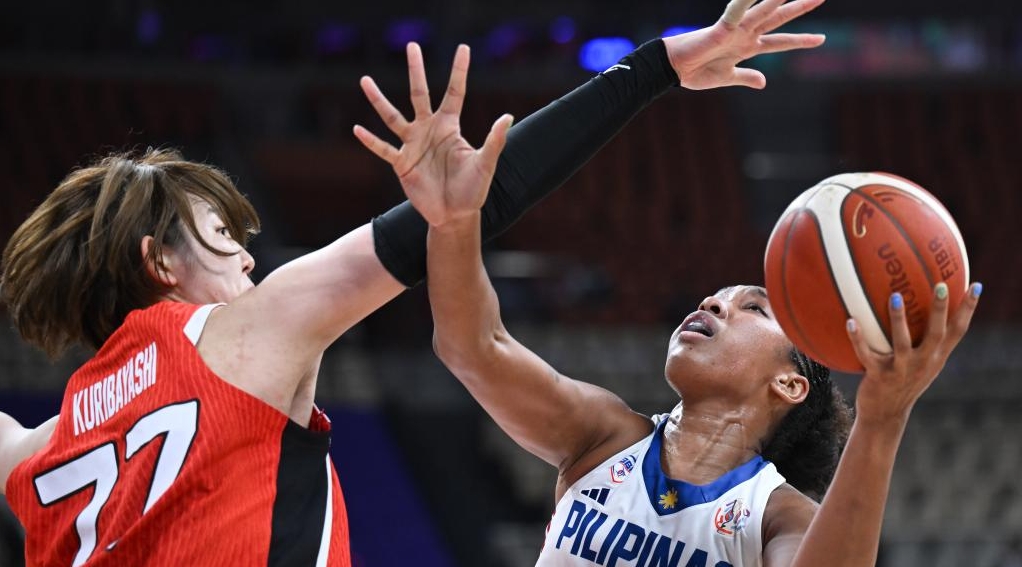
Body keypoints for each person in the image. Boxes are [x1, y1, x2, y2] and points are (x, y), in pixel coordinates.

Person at [0, 0, 831, 564]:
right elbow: (479, 195)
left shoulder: (41, 452)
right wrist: (654, 69)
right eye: (222, 238)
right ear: (160, 264)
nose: (250, 261)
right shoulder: (241, 334)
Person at [370, 2, 985, 567]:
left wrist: (882, 419)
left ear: (790, 383)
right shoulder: (605, 437)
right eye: (720, 296)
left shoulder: (776, 518)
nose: (714, 301)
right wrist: (453, 223)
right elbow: (473, 346)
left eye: (754, 308)